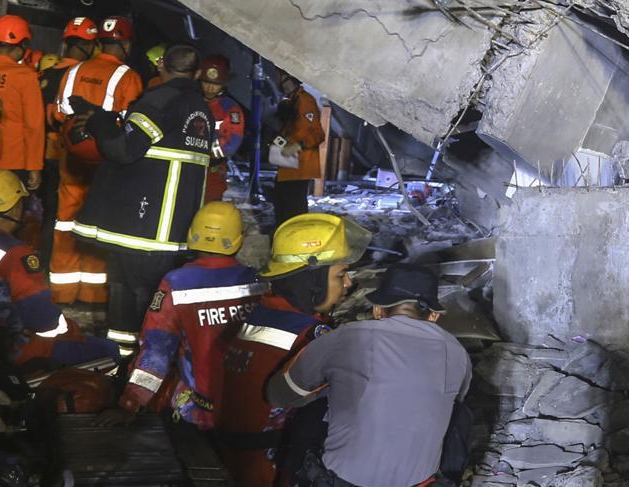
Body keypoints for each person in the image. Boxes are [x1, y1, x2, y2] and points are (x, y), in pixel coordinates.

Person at [268, 264, 472, 487]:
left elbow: (277, 395)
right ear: (433, 315)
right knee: (457, 415)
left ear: (377, 310)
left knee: (311, 413)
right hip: (420, 483)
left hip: (343, 481)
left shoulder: (345, 337)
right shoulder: (458, 353)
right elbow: (452, 407)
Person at [71, 43, 212, 357]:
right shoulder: (201, 108)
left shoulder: (160, 100)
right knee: (153, 299)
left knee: (127, 294)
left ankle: (127, 364)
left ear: (160, 66)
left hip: (140, 227)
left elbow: (124, 150)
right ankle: (147, 361)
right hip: (173, 230)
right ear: (198, 73)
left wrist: (101, 123)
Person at [214, 213, 367, 487]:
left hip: (234, 458)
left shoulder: (261, 314)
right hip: (272, 469)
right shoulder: (312, 337)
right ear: (313, 281)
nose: (348, 284)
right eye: (340, 275)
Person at [0, 171, 117, 367]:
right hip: (5, 350)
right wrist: (72, 333)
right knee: (108, 351)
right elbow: (43, 318)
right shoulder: (14, 252)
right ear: (15, 208)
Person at [120, 201, 264, 428]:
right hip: (248, 410)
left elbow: (156, 351)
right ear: (239, 238)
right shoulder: (258, 282)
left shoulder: (175, 283)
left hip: (198, 411)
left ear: (191, 234)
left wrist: (130, 403)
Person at [48, 14, 142, 306]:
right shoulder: (129, 77)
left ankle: (62, 292)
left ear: (98, 42)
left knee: (65, 222)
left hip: (72, 159)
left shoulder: (73, 72)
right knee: (98, 225)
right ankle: (92, 294)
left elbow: (58, 115)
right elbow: (131, 126)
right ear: (125, 44)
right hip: (108, 162)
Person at [38, 16, 98, 261]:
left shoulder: (45, 74)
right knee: (64, 214)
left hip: (41, 152)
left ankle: (42, 259)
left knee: (47, 212)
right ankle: (55, 260)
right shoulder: (80, 76)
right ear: (88, 44)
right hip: (66, 154)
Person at [0, 14, 46, 197]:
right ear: (23, 45)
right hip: (13, 161)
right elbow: (34, 125)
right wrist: (34, 167)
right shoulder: (25, 76)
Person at [273, 72, 325, 226]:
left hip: (301, 165)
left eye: (280, 77)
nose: (277, 81)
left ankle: (295, 238)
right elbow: (287, 131)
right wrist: (276, 144)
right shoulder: (291, 101)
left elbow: (318, 134)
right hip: (288, 164)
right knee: (281, 202)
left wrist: (298, 146)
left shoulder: (305, 101)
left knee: (294, 209)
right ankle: (282, 236)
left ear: (288, 79)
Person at [199, 56, 248, 202]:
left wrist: (203, 151)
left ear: (224, 84)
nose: (210, 88)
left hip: (212, 173)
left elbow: (232, 144)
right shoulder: (191, 101)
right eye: (206, 82)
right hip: (188, 171)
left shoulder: (230, 109)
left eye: (215, 84)